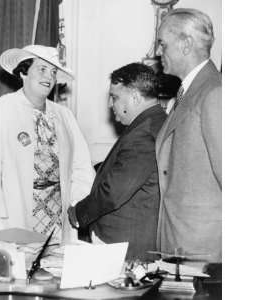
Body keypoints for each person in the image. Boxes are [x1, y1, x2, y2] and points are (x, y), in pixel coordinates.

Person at [0, 45, 95, 244]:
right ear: (24, 72)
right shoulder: (2, 109)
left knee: (54, 268)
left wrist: (76, 203)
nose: (49, 77)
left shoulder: (64, 115)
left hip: (57, 214)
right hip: (15, 209)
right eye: (42, 69)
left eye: (53, 72)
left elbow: (81, 165)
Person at [68, 63, 167, 260]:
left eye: (114, 97)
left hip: (124, 244)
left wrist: (78, 213)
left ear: (135, 97)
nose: (110, 104)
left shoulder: (144, 133)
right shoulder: (154, 122)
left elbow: (114, 192)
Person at [155, 8, 222, 262]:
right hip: (179, 242)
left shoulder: (215, 93)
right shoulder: (188, 93)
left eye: (163, 44)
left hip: (204, 249)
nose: (158, 53)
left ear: (185, 43)